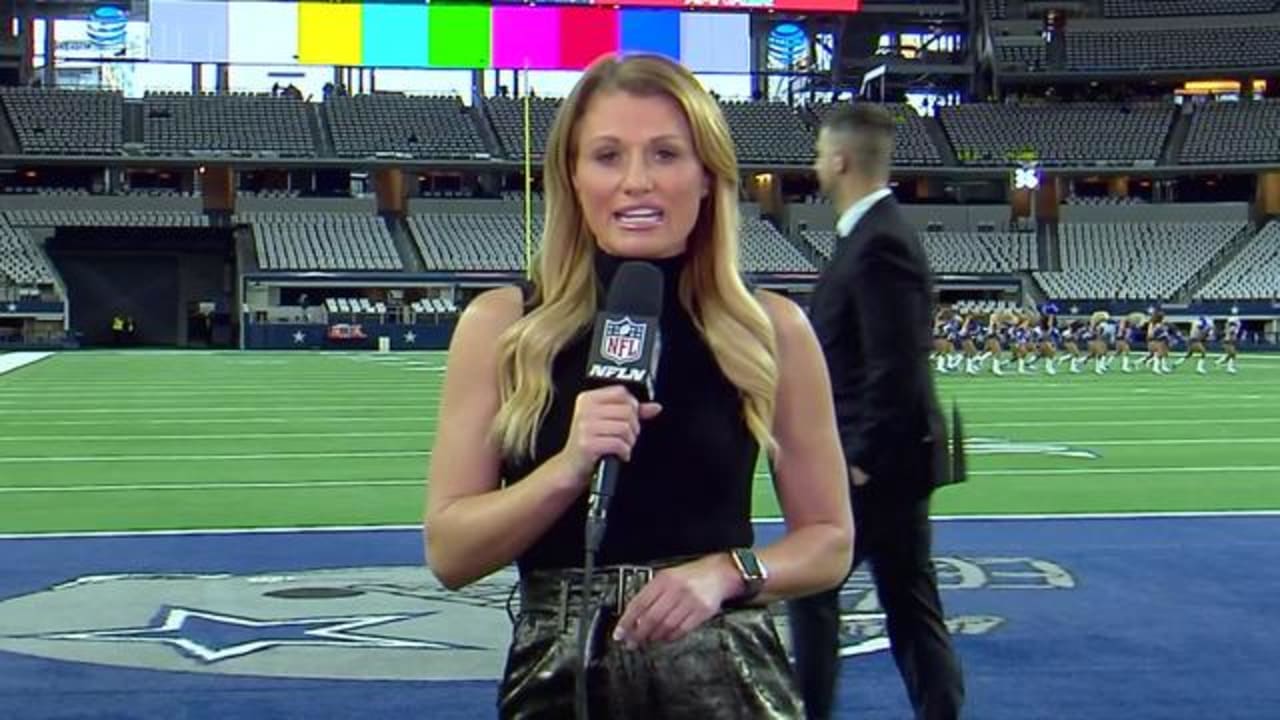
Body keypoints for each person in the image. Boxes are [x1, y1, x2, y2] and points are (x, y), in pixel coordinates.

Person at [424, 53, 854, 719]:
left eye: (664, 154)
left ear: (708, 176)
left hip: (724, 670)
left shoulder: (771, 330)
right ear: (572, 175)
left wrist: (725, 574)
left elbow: (829, 538)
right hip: (559, 676)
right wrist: (567, 468)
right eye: (606, 155)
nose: (635, 182)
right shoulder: (502, 327)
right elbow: (450, 552)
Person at [789, 103, 965, 720]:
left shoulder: (879, 243)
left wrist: (860, 460)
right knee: (910, 605)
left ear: (840, 159)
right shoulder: (871, 236)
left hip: (876, 467)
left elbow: (895, 364)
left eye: (818, 153)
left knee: (813, 589)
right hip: (893, 461)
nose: (815, 165)